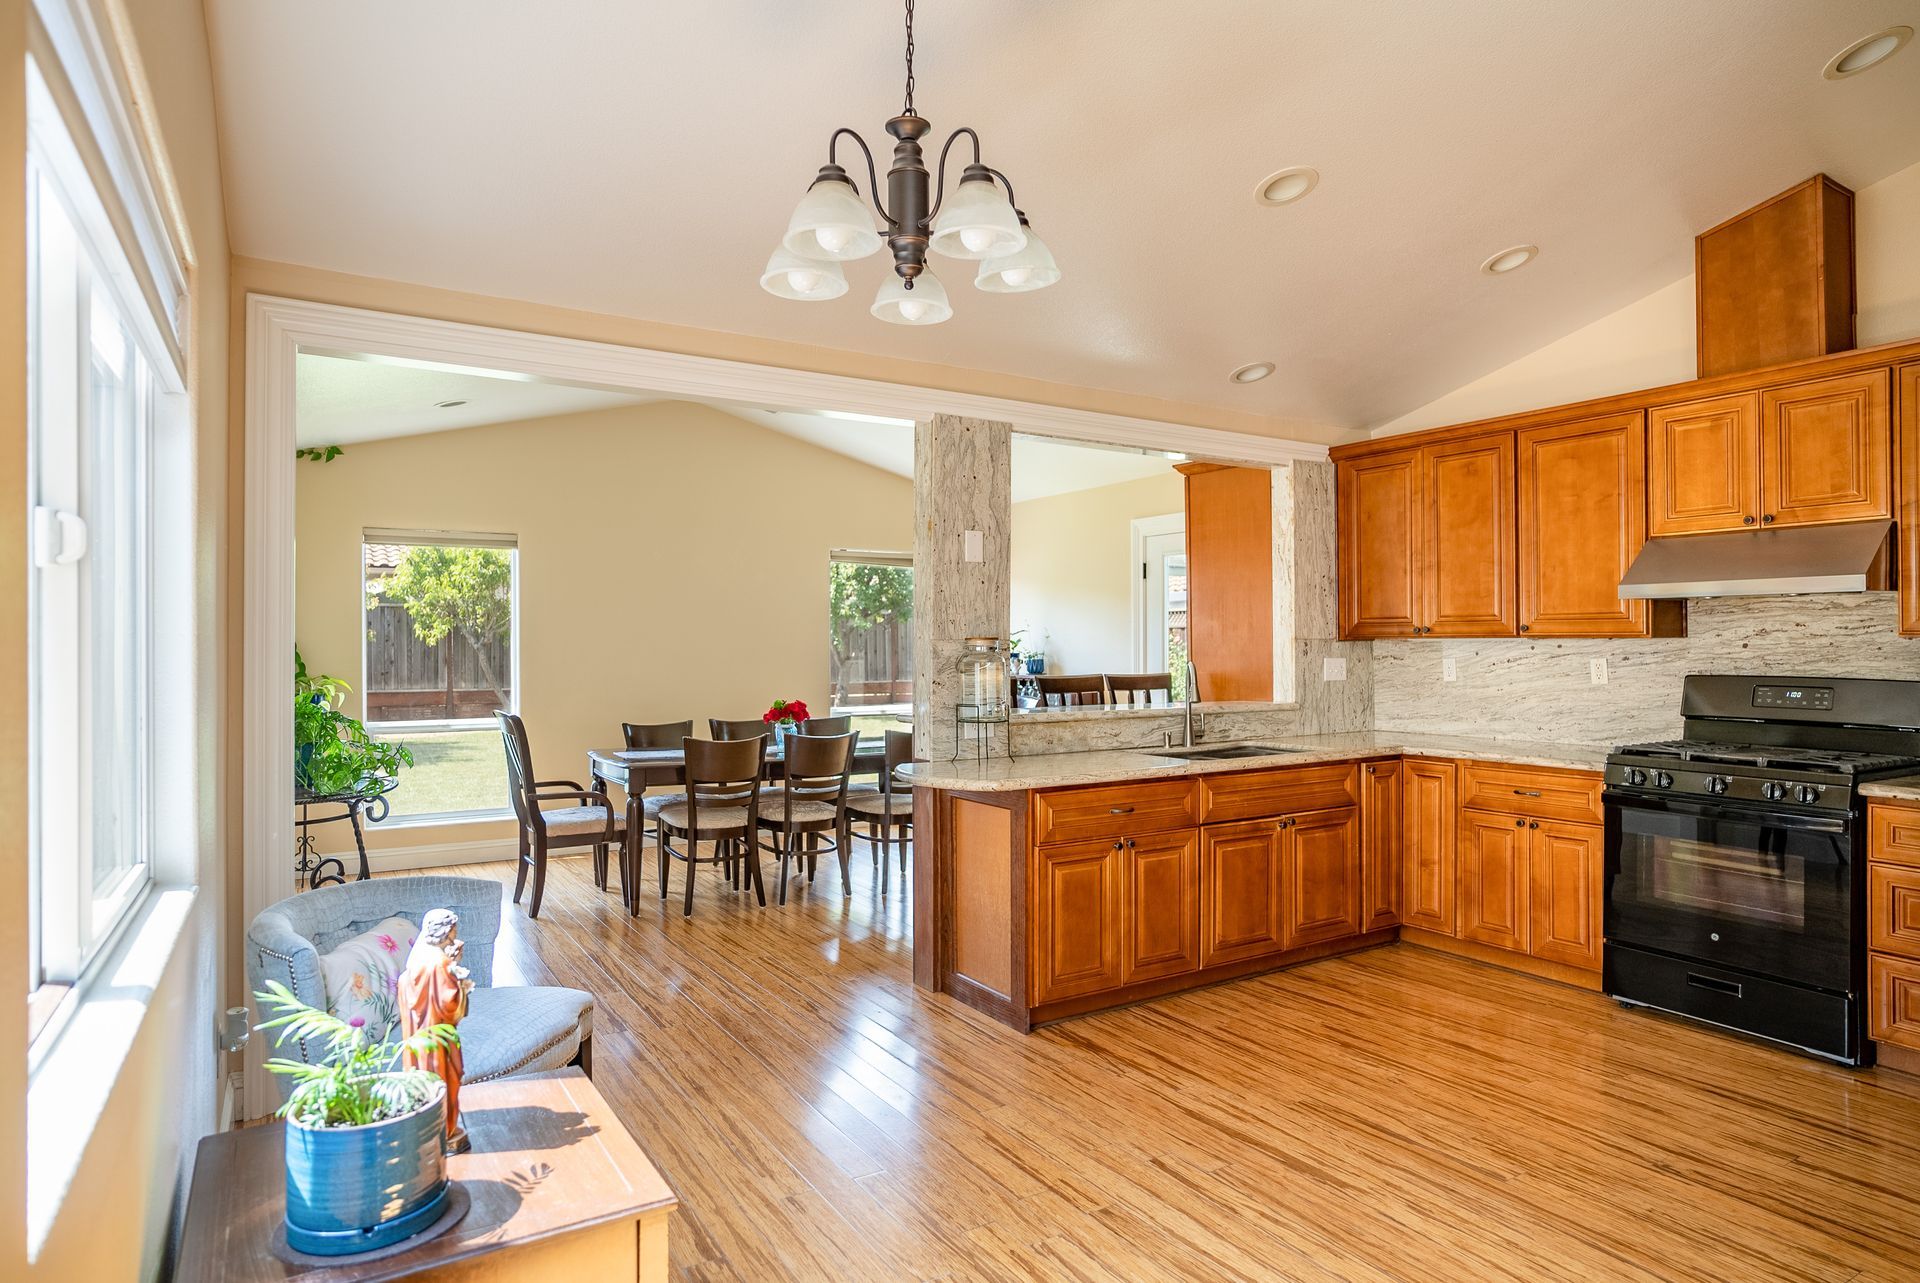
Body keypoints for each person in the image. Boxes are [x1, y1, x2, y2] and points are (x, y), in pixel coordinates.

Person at [399, 907, 473, 1153]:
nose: (455, 935)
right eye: (453, 932)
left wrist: (452, 964)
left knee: (428, 1081)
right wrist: (461, 983)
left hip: (417, 1034)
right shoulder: (438, 962)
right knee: (444, 1078)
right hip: (437, 1037)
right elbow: (449, 1004)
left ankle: (434, 1128)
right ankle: (445, 1128)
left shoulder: (419, 956)